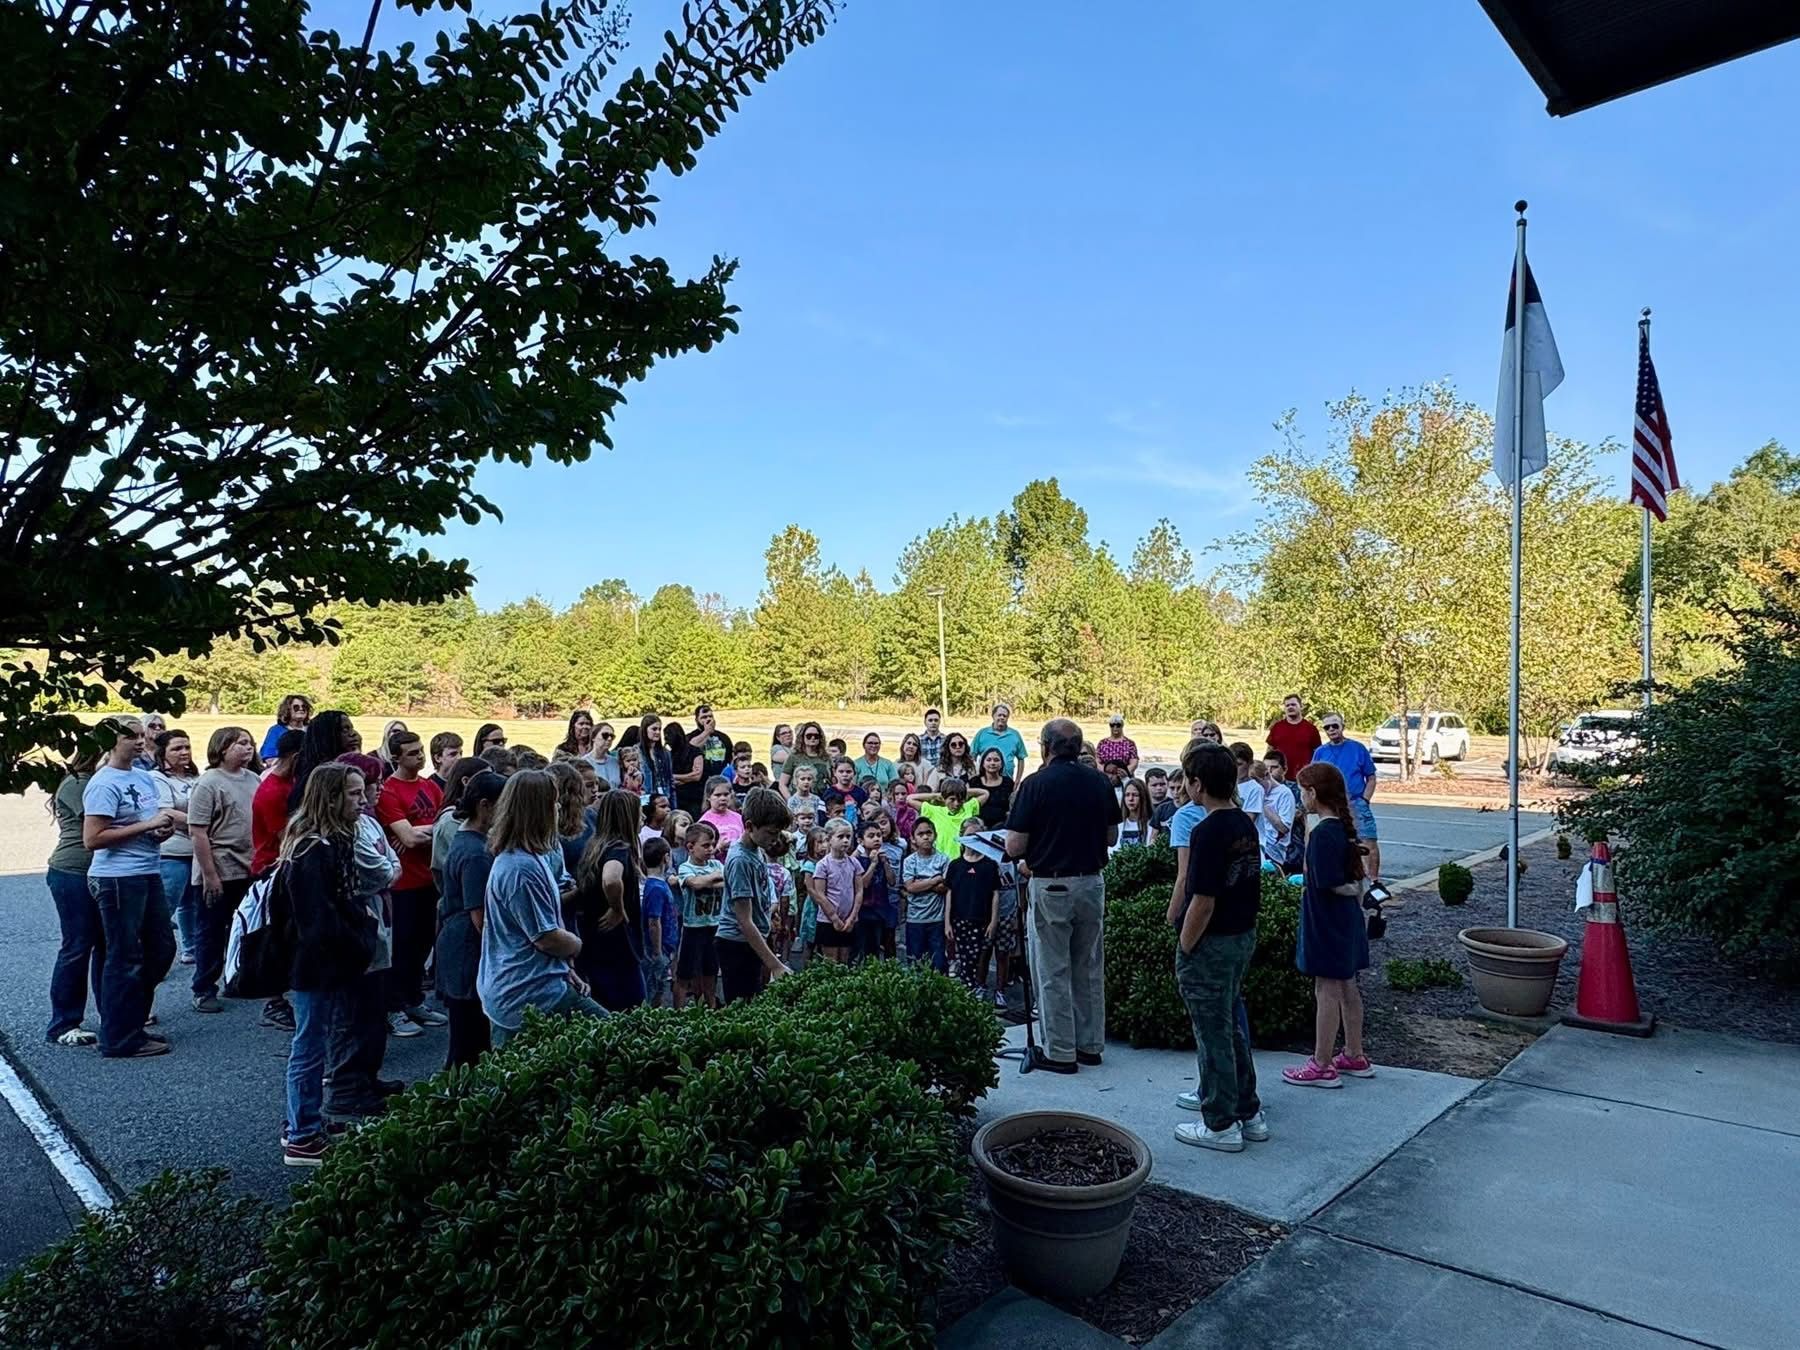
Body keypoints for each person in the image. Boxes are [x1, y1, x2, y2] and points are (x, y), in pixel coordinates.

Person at [1004, 718, 1119, 1074]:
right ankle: (1090, 1045)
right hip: (1091, 883)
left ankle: (1060, 1051)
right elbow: (1112, 836)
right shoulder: (1099, 781)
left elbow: (1014, 845)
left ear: (1045, 747)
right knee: (1088, 966)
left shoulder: (1035, 784)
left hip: (1051, 884)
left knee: (1052, 969)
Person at [278, 763, 379, 1166]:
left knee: (315, 1041)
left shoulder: (330, 841)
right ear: (331, 798)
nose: (362, 801)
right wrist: (359, 937)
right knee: (309, 1044)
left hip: (325, 960)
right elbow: (317, 920)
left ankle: (304, 1118)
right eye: (353, 794)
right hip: (316, 964)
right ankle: (302, 1135)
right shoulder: (312, 850)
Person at [1170, 741, 1267, 1152]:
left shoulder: (1207, 831)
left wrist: (1185, 945)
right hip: (1242, 936)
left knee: (1212, 1034)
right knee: (1230, 1027)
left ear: (1197, 784)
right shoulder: (1244, 823)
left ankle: (1221, 1123)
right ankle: (1248, 1110)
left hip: (1213, 943)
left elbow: (1203, 901)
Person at [479, 770, 602, 1047]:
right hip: (524, 993)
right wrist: (576, 946)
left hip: (539, 984)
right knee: (610, 1038)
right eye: (553, 802)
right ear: (538, 811)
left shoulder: (531, 856)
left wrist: (562, 968)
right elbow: (546, 938)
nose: (558, 808)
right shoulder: (520, 869)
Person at [82, 717, 177, 1059]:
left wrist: (160, 831)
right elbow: (93, 838)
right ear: (112, 742)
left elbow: (145, 823)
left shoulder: (142, 777)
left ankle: (129, 1021)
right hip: (118, 878)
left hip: (147, 871)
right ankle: (119, 1037)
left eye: (140, 735)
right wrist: (147, 825)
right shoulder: (104, 783)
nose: (139, 742)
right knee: (125, 957)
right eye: (130, 737)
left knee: (162, 949)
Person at [1285, 763, 1375, 1087]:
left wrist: (1348, 887)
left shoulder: (1322, 834)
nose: (1301, 797)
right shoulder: (1341, 829)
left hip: (1326, 920)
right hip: (1346, 919)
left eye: (1302, 791)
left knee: (1326, 990)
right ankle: (1354, 1052)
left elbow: (1327, 882)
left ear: (1313, 793)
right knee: (1348, 985)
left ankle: (1322, 1062)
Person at [325, 755, 403, 1119]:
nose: (370, 794)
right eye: (357, 791)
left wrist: (389, 868)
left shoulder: (368, 823)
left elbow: (391, 865)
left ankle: (368, 1078)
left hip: (377, 923)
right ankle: (347, 1087)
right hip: (356, 932)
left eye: (365, 789)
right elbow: (380, 873)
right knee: (352, 1014)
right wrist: (389, 868)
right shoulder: (342, 835)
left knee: (373, 1010)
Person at [374, 728, 446, 1036]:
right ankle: (393, 1008)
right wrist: (427, 832)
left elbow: (447, 823)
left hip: (429, 879)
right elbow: (409, 838)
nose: (420, 757)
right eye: (413, 753)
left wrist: (420, 831)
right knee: (401, 950)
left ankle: (414, 1000)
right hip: (403, 884)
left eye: (420, 751)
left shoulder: (429, 786)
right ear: (396, 758)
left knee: (422, 945)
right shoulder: (390, 791)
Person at [187, 726, 261, 1014]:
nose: (248, 747)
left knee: (244, 929)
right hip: (219, 868)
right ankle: (204, 988)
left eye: (250, 742)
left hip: (248, 867)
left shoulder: (253, 779)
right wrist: (209, 875)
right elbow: (198, 832)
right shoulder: (209, 783)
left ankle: (237, 978)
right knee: (211, 932)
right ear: (222, 748)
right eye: (240, 743)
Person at [437, 769, 504, 1070]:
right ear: (484, 805)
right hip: (467, 952)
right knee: (469, 1044)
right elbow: (480, 918)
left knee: (467, 1039)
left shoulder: (467, 840)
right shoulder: (475, 853)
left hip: (458, 946)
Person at [45, 744, 105, 1047]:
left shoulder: (104, 780)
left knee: (107, 944)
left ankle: (112, 1014)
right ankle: (64, 1023)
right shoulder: (79, 783)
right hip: (73, 871)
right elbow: (104, 822)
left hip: (103, 871)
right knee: (78, 945)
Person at [715, 786, 793, 1003]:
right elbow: (744, 921)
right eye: (771, 833)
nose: (776, 839)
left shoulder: (756, 849)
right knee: (742, 1006)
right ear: (749, 826)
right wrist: (775, 965)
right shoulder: (740, 860)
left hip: (755, 939)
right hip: (737, 944)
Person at [575, 788, 648, 1011]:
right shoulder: (619, 848)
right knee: (633, 1007)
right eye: (639, 813)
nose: (643, 817)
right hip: (619, 946)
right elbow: (611, 878)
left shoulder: (595, 846)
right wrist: (617, 908)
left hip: (596, 943)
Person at [1312, 711, 1383, 893]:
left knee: (1368, 841)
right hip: (1332, 806)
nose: (1331, 729)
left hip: (1355, 802)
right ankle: (1346, 878)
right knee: (1338, 843)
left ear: (1342, 726)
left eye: (1335, 725)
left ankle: (1374, 883)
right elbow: (1313, 777)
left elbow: (1371, 777)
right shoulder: (1320, 752)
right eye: (1327, 727)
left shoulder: (1358, 748)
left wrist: (1364, 800)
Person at [149, 728, 200, 966]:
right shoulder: (157, 778)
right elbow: (166, 811)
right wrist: (199, 823)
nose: (184, 752)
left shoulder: (194, 777)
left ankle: (191, 948)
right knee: (166, 905)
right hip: (173, 851)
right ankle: (151, 955)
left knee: (191, 903)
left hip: (196, 848)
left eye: (187, 747)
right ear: (163, 753)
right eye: (177, 748)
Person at [946, 818, 1000, 998]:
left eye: (977, 836)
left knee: (978, 956)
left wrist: (993, 921)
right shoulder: (955, 865)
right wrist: (947, 922)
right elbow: (949, 893)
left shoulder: (990, 865)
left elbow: (995, 893)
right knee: (963, 956)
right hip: (960, 919)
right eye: (969, 835)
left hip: (981, 920)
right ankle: (967, 988)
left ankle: (976, 987)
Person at [674, 820, 725, 1009]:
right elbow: (695, 884)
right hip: (693, 928)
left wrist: (706, 881)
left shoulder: (716, 864)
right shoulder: (685, 868)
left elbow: (726, 882)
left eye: (712, 844)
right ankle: (677, 1011)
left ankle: (711, 1007)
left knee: (710, 971)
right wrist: (712, 878)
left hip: (714, 925)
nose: (711, 849)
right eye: (705, 845)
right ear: (690, 847)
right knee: (684, 974)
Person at [900, 817, 951, 972]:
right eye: (920, 834)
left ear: (935, 835)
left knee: (939, 964)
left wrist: (920, 882)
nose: (925, 837)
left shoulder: (944, 859)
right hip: (915, 919)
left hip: (937, 919)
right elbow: (910, 887)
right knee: (916, 964)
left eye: (929, 833)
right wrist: (935, 879)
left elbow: (944, 887)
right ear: (913, 838)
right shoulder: (909, 861)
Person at [808, 822, 862, 964]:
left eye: (848, 837)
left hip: (848, 920)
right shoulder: (823, 865)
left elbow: (859, 891)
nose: (845, 840)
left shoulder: (854, 863)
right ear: (829, 839)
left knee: (845, 960)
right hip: (828, 921)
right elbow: (820, 895)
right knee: (830, 962)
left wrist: (852, 918)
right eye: (840, 836)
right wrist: (834, 918)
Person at [253, 730, 304, 877]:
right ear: (296, 758)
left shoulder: (292, 781)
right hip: (272, 868)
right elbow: (286, 839)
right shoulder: (272, 792)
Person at [852, 817, 897, 963]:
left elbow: (892, 881)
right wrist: (873, 864)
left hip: (881, 911)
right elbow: (863, 885)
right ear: (861, 840)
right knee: (865, 949)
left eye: (879, 835)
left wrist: (884, 863)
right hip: (864, 913)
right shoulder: (857, 861)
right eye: (871, 836)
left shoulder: (883, 857)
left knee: (881, 948)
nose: (877, 839)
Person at [640, 837, 678, 1006]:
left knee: (659, 986)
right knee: (655, 988)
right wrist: (657, 952)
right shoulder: (656, 888)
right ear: (666, 858)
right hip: (656, 950)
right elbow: (654, 922)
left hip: (664, 948)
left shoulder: (658, 885)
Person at [912, 776, 987, 849]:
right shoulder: (934, 811)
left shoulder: (968, 807)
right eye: (952, 799)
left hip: (963, 855)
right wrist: (935, 796)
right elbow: (910, 799)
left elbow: (985, 793)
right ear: (944, 798)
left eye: (960, 800)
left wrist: (962, 791)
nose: (956, 804)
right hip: (942, 855)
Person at [1259, 750, 1301, 871]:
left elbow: (1287, 824)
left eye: (1274, 767)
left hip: (1283, 847)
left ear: (1284, 769)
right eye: (1266, 767)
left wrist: (1263, 804)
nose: (1269, 771)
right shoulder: (1259, 788)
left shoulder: (1292, 790)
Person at [1266, 694, 1322, 781]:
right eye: (1287, 705)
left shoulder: (1311, 729)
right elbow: (1269, 751)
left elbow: (1318, 754)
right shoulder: (1277, 727)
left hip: (1303, 778)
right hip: (1279, 778)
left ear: (1301, 706)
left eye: (1293, 704)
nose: (1290, 707)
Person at [973, 703, 1028, 781]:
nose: (1002, 717)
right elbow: (972, 756)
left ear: (1008, 718)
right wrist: (974, 777)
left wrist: (1017, 780)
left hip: (1007, 781)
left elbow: (1021, 758)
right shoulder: (982, 733)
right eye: (999, 715)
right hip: (984, 781)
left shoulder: (1015, 735)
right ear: (993, 716)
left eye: (1004, 716)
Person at [778, 721, 832, 797]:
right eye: (809, 736)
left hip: (822, 800)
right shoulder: (793, 757)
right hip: (799, 800)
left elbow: (833, 782)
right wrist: (790, 800)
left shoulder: (826, 757)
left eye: (816, 736)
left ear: (820, 738)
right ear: (802, 737)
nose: (813, 738)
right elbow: (782, 784)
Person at [259, 693, 313, 760]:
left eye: (304, 707)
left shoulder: (313, 730)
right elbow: (269, 757)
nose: (301, 709)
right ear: (287, 710)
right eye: (296, 707)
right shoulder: (276, 731)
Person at [699, 775, 745, 848]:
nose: (723, 798)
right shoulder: (704, 822)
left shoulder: (739, 818)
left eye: (726, 794)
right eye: (718, 795)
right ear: (708, 797)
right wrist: (719, 847)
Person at [636, 713, 674, 801]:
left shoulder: (665, 753)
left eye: (659, 729)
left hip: (664, 797)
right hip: (645, 798)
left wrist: (673, 803)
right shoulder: (636, 751)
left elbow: (670, 780)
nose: (657, 732)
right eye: (654, 729)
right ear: (645, 730)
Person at [974, 748, 1014, 828]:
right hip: (978, 826)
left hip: (1002, 826)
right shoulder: (974, 782)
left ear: (1001, 764)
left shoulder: (1008, 783)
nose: (992, 763)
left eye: (996, 760)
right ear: (983, 763)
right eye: (989, 760)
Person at [1116, 778, 1152, 851]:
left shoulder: (1152, 824)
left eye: (1135, 795)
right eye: (1127, 795)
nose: (1130, 799)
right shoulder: (1119, 825)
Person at [786, 763, 824, 830]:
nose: (806, 782)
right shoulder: (792, 801)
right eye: (802, 779)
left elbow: (820, 820)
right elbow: (791, 822)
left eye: (809, 779)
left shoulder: (817, 799)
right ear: (796, 781)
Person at [588, 721, 621, 787]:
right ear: (593, 738)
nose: (609, 739)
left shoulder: (615, 762)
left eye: (612, 736)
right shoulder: (584, 762)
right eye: (605, 735)